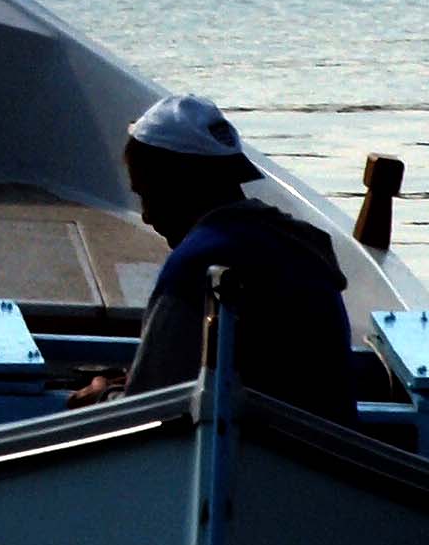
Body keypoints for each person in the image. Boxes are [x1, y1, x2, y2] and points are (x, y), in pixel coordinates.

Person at [68, 92, 358, 422]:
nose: (146, 217)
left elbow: (147, 410)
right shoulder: (301, 247)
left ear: (177, 183)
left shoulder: (196, 264)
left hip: (245, 458)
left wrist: (104, 394)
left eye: (147, 196)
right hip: (323, 457)